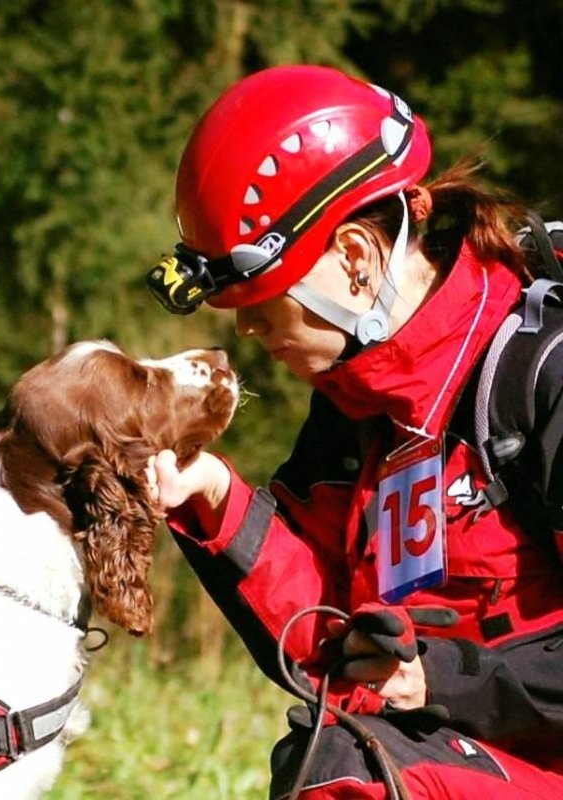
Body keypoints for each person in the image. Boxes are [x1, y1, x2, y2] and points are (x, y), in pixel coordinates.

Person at [144, 65, 563, 799]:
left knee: (346, 770)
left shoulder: (540, 375)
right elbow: (320, 628)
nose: (245, 328)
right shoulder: (352, 412)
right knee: (332, 758)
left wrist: (439, 677)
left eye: (261, 300)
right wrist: (210, 496)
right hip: (456, 760)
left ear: (355, 260)